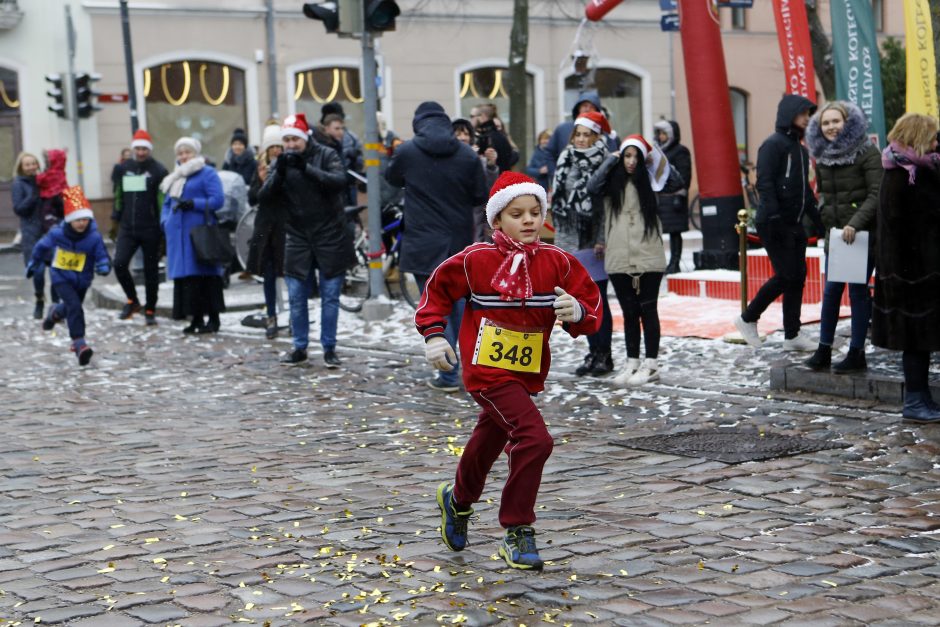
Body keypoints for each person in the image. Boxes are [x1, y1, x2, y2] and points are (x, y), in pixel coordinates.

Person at [416, 171, 601, 571]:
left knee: (490, 436)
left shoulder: (558, 263)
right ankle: (517, 528)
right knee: (536, 439)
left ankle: (458, 501)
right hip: (486, 372)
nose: (529, 220)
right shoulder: (476, 260)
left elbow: (590, 305)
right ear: (497, 221)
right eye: (517, 213)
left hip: (526, 373)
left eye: (535, 212)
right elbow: (437, 290)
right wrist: (433, 334)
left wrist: (578, 313)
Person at [385, 101, 489, 392]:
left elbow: (391, 178)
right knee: (455, 306)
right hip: (457, 240)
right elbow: (480, 194)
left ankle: (448, 373)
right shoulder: (467, 155)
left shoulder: (407, 152)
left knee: (434, 307)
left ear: (418, 123)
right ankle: (458, 368)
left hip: (422, 241)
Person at [259, 113, 354, 367]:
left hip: (329, 234)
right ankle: (299, 346)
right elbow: (264, 196)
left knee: (330, 296)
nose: (290, 145)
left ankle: (329, 347)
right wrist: (278, 173)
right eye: (286, 140)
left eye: (295, 139)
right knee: (297, 296)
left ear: (304, 138)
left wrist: (306, 169)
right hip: (297, 236)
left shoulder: (326, 154)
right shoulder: (280, 161)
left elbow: (339, 182)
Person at [734, 94, 822, 351]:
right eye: (804, 113)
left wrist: (817, 220)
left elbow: (803, 188)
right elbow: (765, 182)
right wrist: (773, 216)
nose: (808, 119)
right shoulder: (772, 145)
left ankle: (792, 335)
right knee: (786, 275)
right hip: (774, 221)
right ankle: (747, 318)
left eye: (809, 114)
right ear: (789, 114)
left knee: (798, 277)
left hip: (794, 222)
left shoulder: (801, 149)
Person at [803, 102, 882, 374]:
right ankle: (824, 349)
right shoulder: (823, 155)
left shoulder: (867, 152)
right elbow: (824, 195)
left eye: (836, 121)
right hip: (836, 237)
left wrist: (854, 223)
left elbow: (876, 194)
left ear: (847, 122)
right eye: (825, 123)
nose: (831, 127)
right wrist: (825, 222)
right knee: (831, 291)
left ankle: (856, 352)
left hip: (861, 235)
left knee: (858, 292)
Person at [871, 113, 940, 423]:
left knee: (921, 340)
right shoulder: (906, 173)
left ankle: (921, 398)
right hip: (914, 273)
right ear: (918, 138)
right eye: (933, 136)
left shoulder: (910, 166)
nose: (937, 142)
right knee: (916, 341)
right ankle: (914, 401)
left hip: (916, 271)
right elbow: (913, 223)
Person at [589, 135, 667, 386]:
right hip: (619, 253)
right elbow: (592, 186)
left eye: (636, 156)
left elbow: (675, 179)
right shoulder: (612, 183)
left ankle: (651, 364)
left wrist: (656, 155)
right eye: (627, 156)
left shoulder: (652, 183)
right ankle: (632, 361)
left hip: (649, 253)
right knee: (629, 312)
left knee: (648, 309)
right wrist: (609, 161)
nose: (631, 162)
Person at [550, 111, 613, 376]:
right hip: (569, 236)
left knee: (598, 298)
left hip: (593, 239)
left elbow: (605, 205)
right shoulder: (566, 158)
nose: (582, 140)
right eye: (578, 134)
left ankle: (604, 355)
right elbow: (559, 195)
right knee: (579, 299)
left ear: (597, 136)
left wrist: (601, 238)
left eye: (587, 135)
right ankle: (591, 351)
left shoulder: (606, 161)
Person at [28, 186, 111, 366]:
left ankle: (55, 313)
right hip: (61, 276)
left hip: (83, 279)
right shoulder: (58, 233)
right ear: (69, 220)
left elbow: (102, 254)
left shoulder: (94, 237)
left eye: (85, 219)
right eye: (77, 219)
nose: (81, 223)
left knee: (71, 307)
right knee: (75, 306)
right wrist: (34, 263)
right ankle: (79, 343)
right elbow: (42, 246)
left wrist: (103, 265)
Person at [160, 137, 226, 334]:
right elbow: (166, 204)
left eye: (187, 152)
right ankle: (195, 318)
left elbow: (218, 200)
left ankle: (213, 319)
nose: (183, 156)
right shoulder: (175, 178)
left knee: (205, 276)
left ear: (195, 153)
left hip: (199, 234)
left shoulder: (207, 173)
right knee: (188, 280)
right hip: (177, 236)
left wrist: (194, 203)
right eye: (180, 153)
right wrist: (165, 221)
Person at [111, 129, 169, 325]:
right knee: (119, 263)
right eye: (138, 148)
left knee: (151, 271)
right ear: (133, 149)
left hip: (150, 228)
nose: (141, 152)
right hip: (128, 227)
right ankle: (132, 300)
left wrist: (162, 226)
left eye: (145, 148)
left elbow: (161, 200)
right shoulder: (124, 168)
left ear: (149, 149)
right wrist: (115, 219)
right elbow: (118, 194)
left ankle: (150, 309)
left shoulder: (158, 170)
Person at [246, 122, 287, 340]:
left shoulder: (289, 166)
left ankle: (290, 315)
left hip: (284, 226)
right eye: (273, 147)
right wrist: (262, 182)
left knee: (289, 273)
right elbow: (253, 198)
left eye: (279, 146)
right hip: (265, 228)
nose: (277, 151)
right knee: (269, 274)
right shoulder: (260, 168)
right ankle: (271, 316)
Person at [545, 91, 618, 181]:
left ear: (597, 111)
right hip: (564, 184)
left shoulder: (603, 134)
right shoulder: (562, 129)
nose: (587, 109)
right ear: (578, 108)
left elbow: (612, 158)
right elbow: (549, 154)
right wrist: (554, 176)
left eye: (591, 107)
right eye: (584, 106)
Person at [653, 119, 692, 274]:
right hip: (660, 198)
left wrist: (680, 195)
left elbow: (685, 174)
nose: (661, 136)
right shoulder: (658, 151)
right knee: (659, 233)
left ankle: (674, 263)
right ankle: (661, 263)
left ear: (671, 134)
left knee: (675, 232)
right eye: (659, 133)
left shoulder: (681, 151)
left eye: (664, 133)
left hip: (675, 197)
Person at [453, 117, 498, 242]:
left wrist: (491, 165)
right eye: (458, 134)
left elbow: (490, 189)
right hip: (456, 221)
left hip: (478, 221)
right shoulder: (446, 161)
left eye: (466, 134)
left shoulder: (478, 159)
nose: (463, 137)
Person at [12, 152, 46, 319]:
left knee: (57, 270)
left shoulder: (44, 181)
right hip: (31, 232)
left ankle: (56, 305)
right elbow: (19, 209)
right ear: (21, 167)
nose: (31, 167)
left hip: (49, 231)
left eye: (34, 163)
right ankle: (39, 299)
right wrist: (33, 195)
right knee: (38, 271)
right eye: (27, 164)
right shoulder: (19, 184)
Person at [320, 102, 365, 207]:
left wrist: (355, 164)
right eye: (336, 128)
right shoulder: (318, 141)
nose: (340, 132)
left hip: (348, 186)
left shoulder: (351, 137)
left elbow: (359, 159)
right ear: (326, 127)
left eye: (341, 128)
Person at [474, 103, 517, 174]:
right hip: (504, 178)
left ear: (483, 116)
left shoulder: (486, 137)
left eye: (475, 116)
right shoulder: (500, 135)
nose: (474, 119)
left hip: (495, 180)